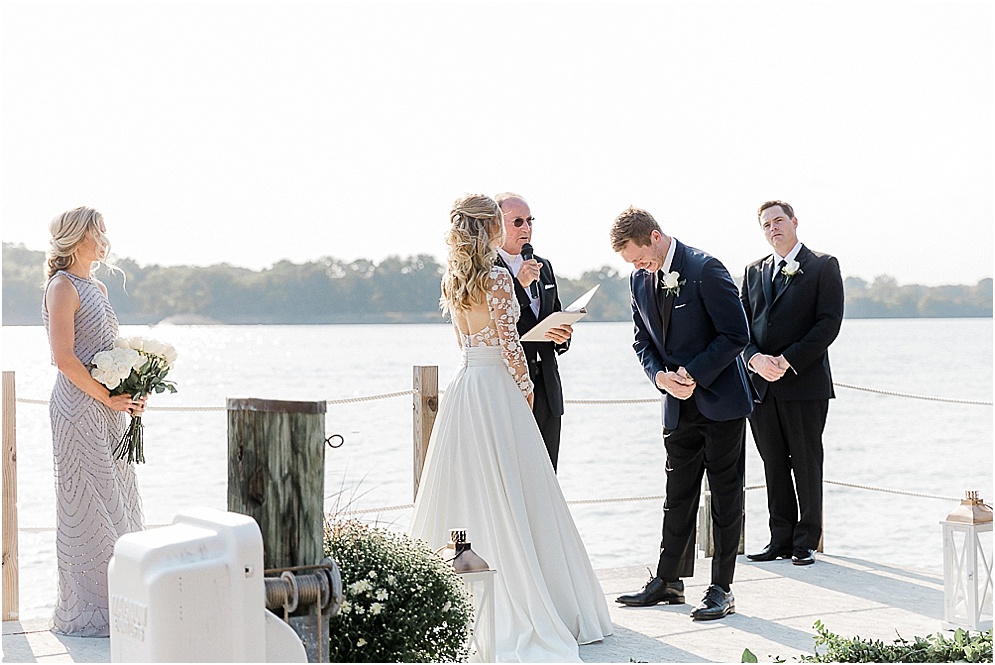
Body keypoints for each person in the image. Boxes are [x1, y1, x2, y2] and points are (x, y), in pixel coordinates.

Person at [409, 194, 611, 661]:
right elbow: (510, 346)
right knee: (520, 489)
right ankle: (536, 597)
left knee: (471, 484)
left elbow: (464, 340)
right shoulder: (498, 278)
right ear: (491, 228)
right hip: (497, 387)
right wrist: (524, 390)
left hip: (465, 384)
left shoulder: (454, 278)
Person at [609, 206, 752, 621]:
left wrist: (694, 372)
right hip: (675, 403)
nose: (639, 267)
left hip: (720, 401)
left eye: (640, 257)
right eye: (633, 263)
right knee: (677, 494)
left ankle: (722, 588)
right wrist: (660, 378)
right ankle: (668, 580)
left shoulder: (705, 268)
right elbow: (642, 342)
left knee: (725, 497)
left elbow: (736, 334)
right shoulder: (638, 279)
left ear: (655, 237)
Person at [43, 206, 145, 636]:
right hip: (78, 408)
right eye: (98, 232)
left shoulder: (98, 285)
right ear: (77, 237)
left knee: (120, 499)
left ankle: (129, 602)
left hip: (107, 408)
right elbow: (64, 359)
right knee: (89, 505)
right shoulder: (62, 286)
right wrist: (108, 396)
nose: (105, 240)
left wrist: (134, 392)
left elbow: (108, 351)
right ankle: (90, 615)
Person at [741, 200, 844, 566]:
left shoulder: (822, 265)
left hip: (804, 383)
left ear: (794, 222)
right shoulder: (753, 271)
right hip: (762, 386)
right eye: (766, 224)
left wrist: (787, 361)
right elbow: (740, 328)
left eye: (778, 220)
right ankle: (779, 538)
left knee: (805, 461)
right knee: (772, 463)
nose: (773, 228)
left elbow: (828, 325)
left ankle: (806, 540)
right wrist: (754, 359)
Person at [494, 192, 572, 471]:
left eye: (529, 221)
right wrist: (518, 284)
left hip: (548, 387)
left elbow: (555, 314)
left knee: (548, 473)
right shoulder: (488, 269)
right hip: (510, 385)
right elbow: (494, 323)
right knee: (515, 472)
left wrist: (563, 338)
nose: (525, 228)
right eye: (517, 221)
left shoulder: (544, 266)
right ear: (496, 224)